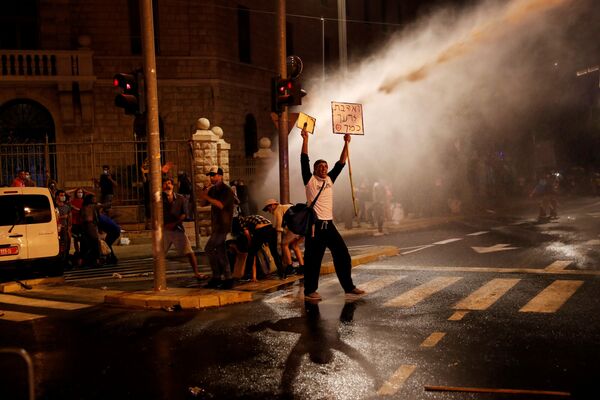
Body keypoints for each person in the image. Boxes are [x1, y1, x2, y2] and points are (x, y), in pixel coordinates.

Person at [300, 128, 365, 301]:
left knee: (343, 255)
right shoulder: (309, 180)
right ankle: (309, 291)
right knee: (314, 260)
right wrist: (305, 139)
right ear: (314, 170)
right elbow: (303, 159)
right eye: (319, 166)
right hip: (315, 227)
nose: (323, 168)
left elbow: (341, 163)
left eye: (325, 166)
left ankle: (349, 287)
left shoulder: (329, 179)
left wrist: (346, 143)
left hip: (329, 225)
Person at [198, 166, 236, 289]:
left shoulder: (226, 190)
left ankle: (217, 276)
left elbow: (220, 205)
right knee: (221, 252)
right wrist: (205, 191)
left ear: (220, 176)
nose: (212, 177)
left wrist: (208, 197)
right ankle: (227, 278)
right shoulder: (213, 190)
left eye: (214, 175)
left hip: (223, 226)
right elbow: (203, 203)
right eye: (210, 175)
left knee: (209, 248)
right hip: (216, 225)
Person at [162, 177, 206, 280]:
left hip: (177, 229)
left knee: (189, 252)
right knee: (159, 254)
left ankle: (196, 273)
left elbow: (184, 214)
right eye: (165, 184)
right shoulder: (159, 198)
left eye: (169, 183)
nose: (167, 185)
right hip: (163, 231)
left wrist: (174, 224)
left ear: (173, 185)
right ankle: (158, 275)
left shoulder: (181, 198)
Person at [263, 198, 305, 275]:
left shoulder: (277, 210)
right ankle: (302, 267)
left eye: (268, 208)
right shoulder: (287, 206)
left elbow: (278, 227)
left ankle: (290, 267)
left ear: (273, 205)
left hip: (294, 228)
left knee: (284, 245)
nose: (268, 210)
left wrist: (279, 243)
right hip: (303, 227)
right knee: (294, 246)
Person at [235, 214, 284, 279]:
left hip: (261, 230)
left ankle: (247, 275)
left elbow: (247, 233)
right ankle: (282, 273)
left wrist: (250, 243)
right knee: (274, 253)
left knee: (251, 253)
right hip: (272, 230)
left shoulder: (242, 221)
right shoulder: (254, 216)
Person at [80, 193, 101, 267]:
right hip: (89, 225)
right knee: (94, 243)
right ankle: (96, 260)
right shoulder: (91, 206)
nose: (95, 200)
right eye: (93, 198)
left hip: (87, 225)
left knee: (87, 244)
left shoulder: (85, 207)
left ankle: (85, 261)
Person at [54, 190, 72, 263]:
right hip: (57, 229)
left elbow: (70, 218)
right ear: (57, 196)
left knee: (66, 245)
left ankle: (66, 260)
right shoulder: (54, 206)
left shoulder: (67, 207)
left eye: (64, 195)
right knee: (59, 245)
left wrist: (69, 229)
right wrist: (62, 217)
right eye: (61, 195)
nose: (63, 197)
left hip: (65, 228)